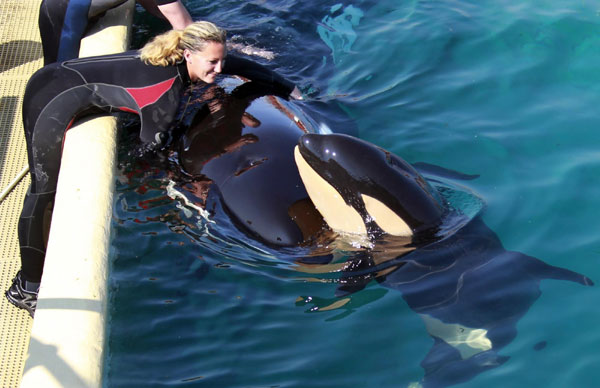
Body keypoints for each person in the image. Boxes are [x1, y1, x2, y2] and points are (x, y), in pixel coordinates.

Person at [5, 21, 302, 317]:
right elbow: (148, 150)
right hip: (51, 96)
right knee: (44, 190)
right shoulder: (167, 93)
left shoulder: (188, 57)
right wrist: (190, 179)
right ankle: (26, 286)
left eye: (221, 59)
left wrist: (292, 90)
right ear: (189, 55)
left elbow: (246, 66)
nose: (220, 68)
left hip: (63, 78)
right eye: (213, 62)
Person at [38, 0, 193, 65]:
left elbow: (157, 8)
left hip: (67, 9)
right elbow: (187, 29)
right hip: (63, 14)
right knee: (59, 76)